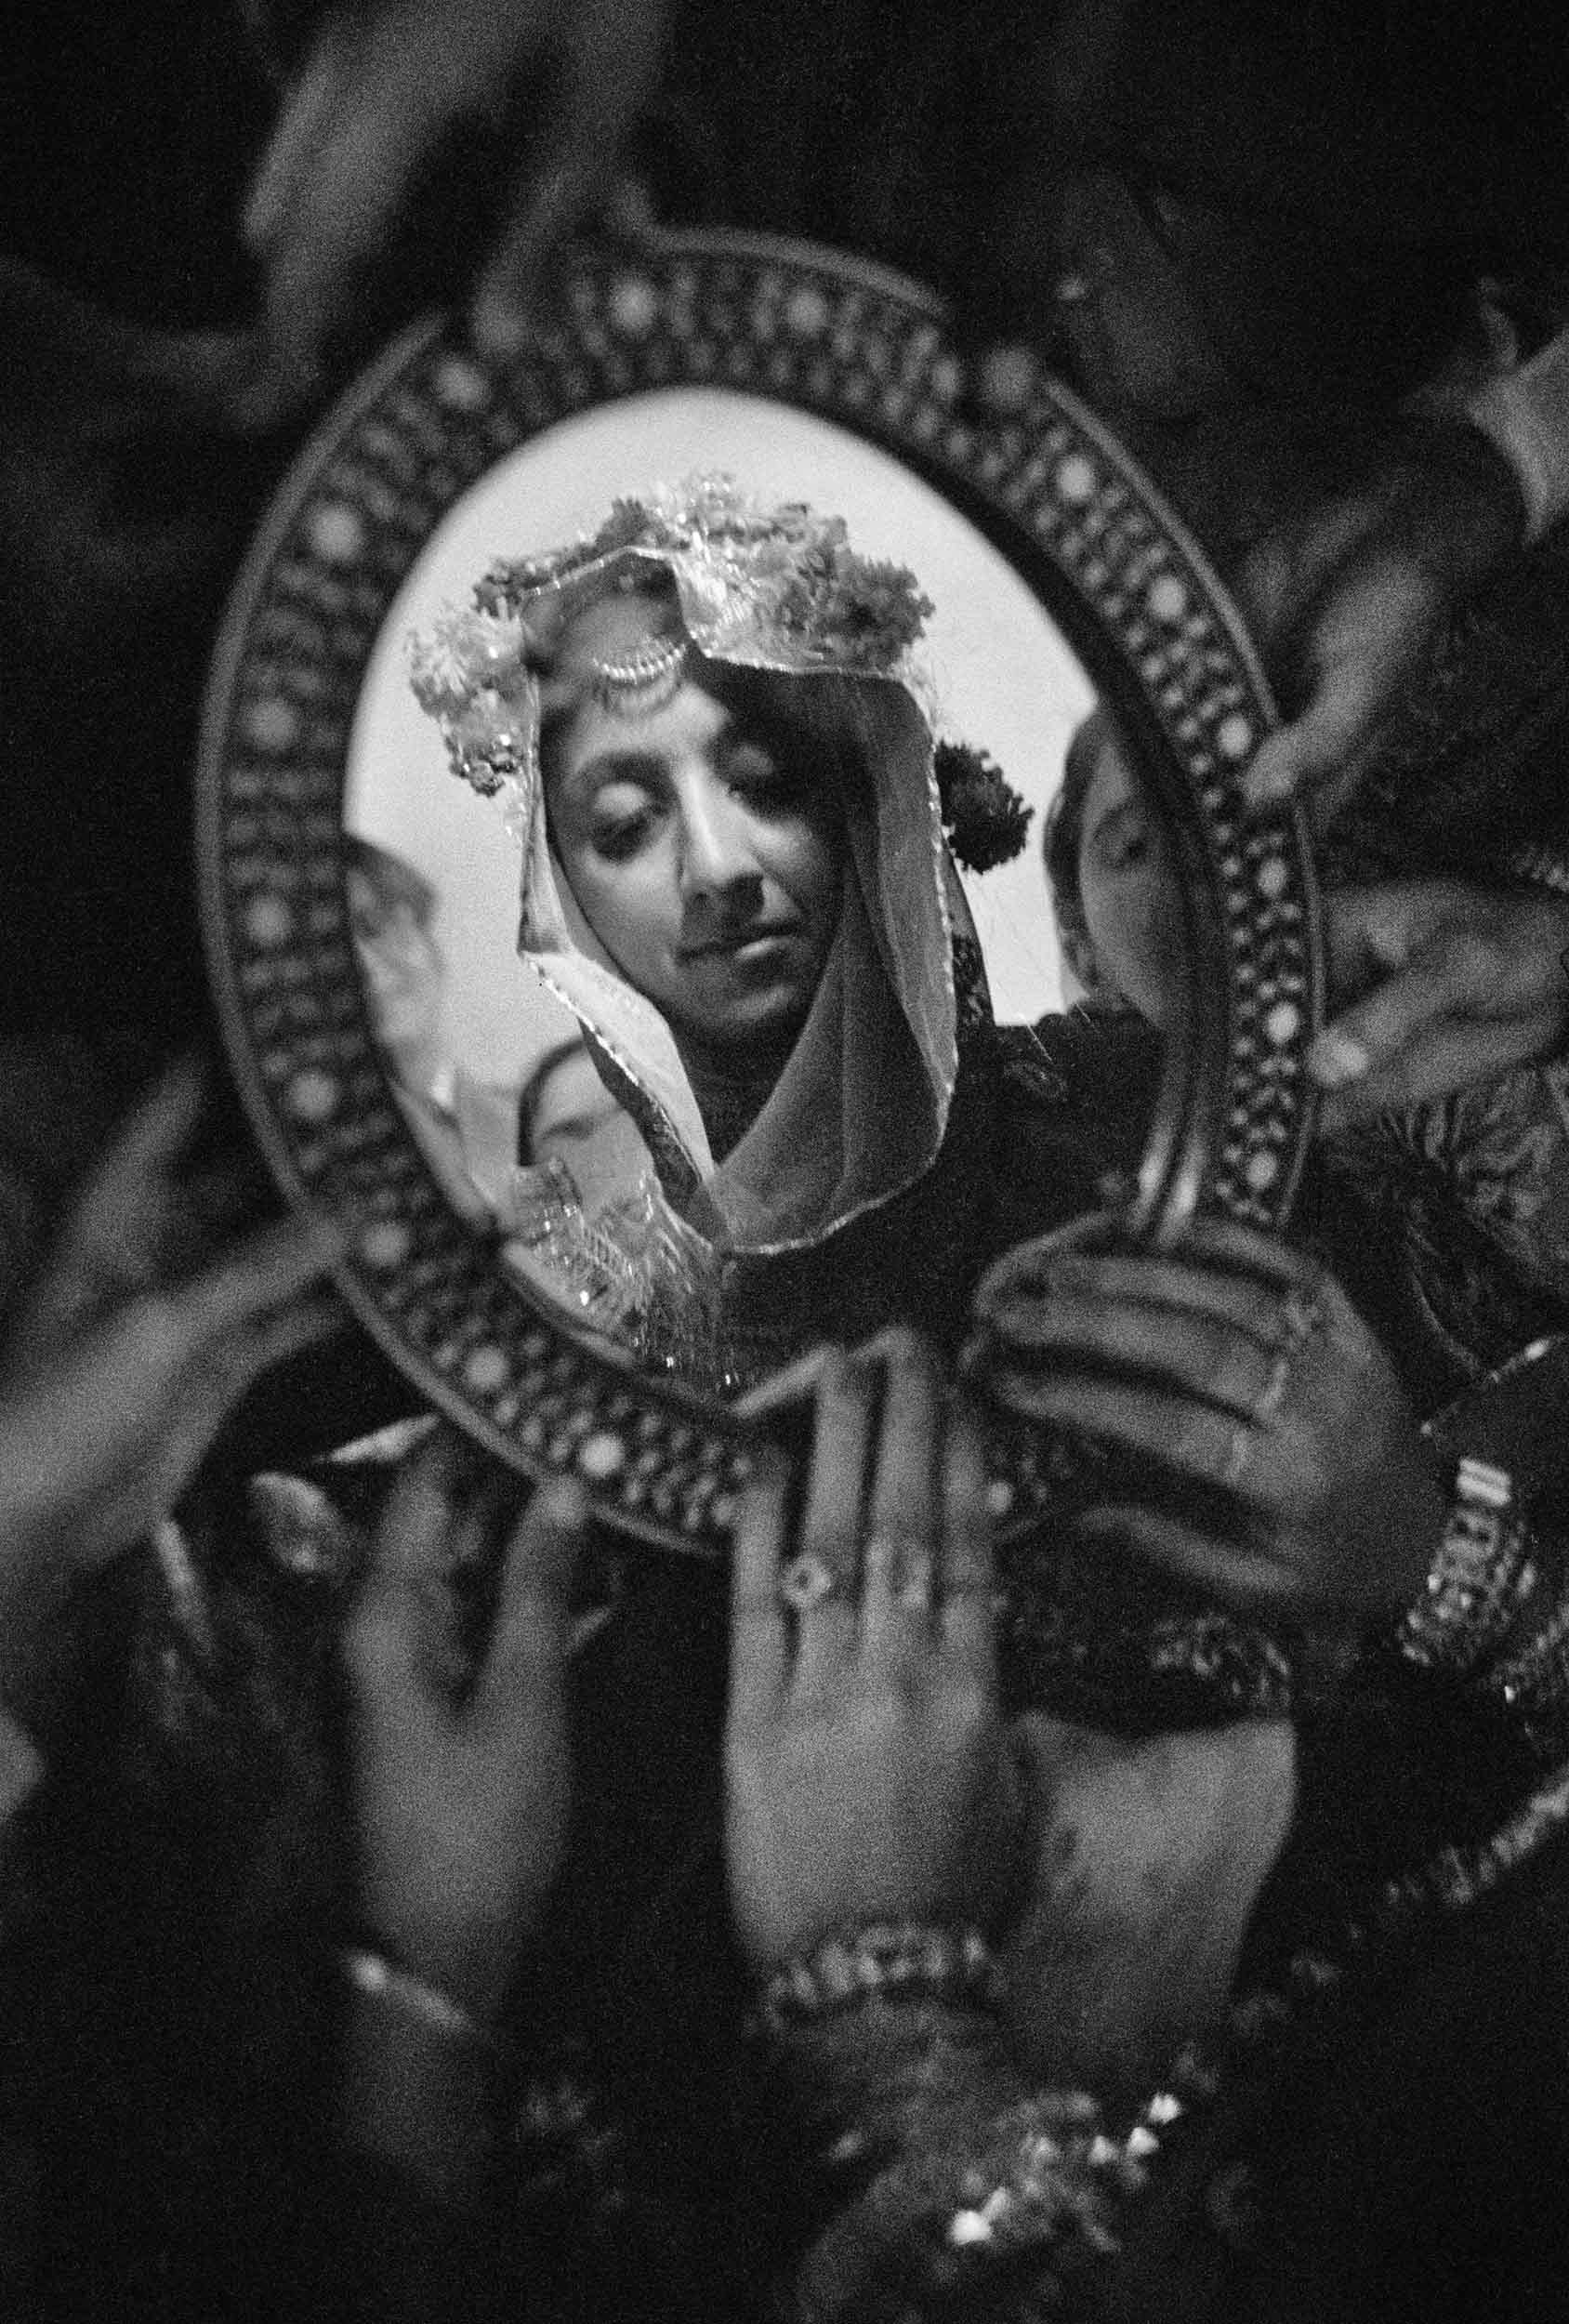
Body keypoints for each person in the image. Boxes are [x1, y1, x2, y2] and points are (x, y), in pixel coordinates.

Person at [410, 473, 1052, 1390]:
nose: (715, 868)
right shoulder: (556, 1278)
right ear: (562, 900)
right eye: (629, 824)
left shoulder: (1114, 1118)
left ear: (867, 806)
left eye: (767, 781)